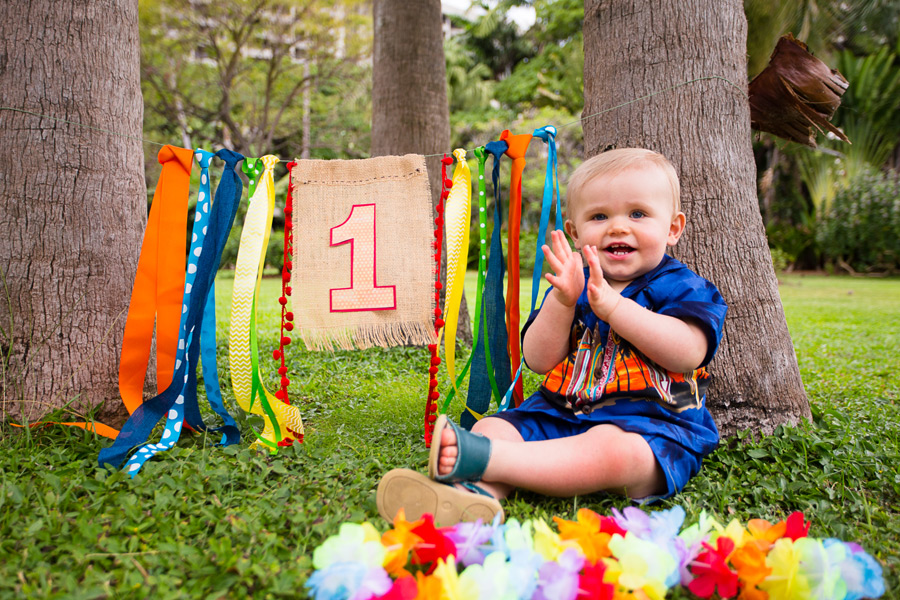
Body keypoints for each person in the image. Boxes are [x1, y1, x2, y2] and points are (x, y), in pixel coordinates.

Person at [376, 148, 728, 526]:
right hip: (560, 413)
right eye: (599, 216)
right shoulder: (571, 285)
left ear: (673, 228)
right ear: (575, 233)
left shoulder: (684, 287)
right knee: (492, 427)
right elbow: (539, 360)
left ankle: (488, 459)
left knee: (614, 452)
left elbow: (688, 352)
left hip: (653, 427)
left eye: (638, 214)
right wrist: (562, 301)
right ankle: (475, 498)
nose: (618, 227)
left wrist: (612, 307)